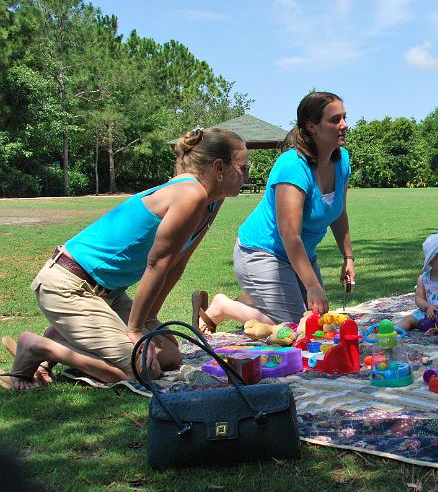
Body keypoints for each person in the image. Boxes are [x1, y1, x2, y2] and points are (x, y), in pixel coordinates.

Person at [2, 128, 248, 389]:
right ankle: (39, 347)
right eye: (243, 168)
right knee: (143, 370)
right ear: (219, 167)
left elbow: (177, 263)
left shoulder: (211, 200)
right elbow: (157, 263)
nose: (246, 175)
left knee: (169, 357)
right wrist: (134, 330)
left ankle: (61, 335)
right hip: (69, 286)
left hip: (107, 293)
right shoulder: (191, 194)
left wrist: (150, 318)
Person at [196, 91, 355, 330]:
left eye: (344, 117)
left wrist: (348, 257)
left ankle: (255, 298)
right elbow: (289, 234)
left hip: (301, 255)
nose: (344, 125)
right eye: (335, 119)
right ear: (312, 126)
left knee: (317, 321)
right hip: (262, 252)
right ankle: (223, 306)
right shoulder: (292, 166)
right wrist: (312, 285)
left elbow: (338, 212)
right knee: (294, 326)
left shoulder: (341, 160)